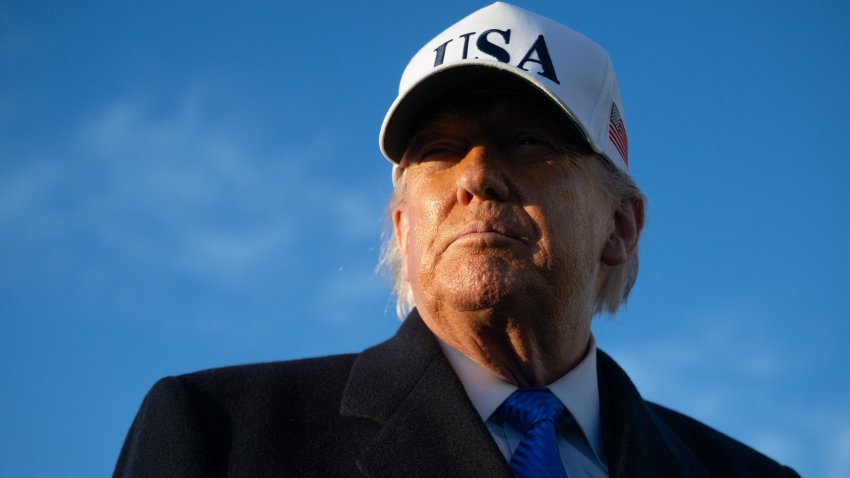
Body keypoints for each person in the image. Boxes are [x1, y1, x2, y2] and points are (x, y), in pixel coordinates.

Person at [114, 3, 799, 477]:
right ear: (404, 228)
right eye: (439, 151)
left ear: (620, 226)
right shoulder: (220, 438)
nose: (475, 177)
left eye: (526, 142)